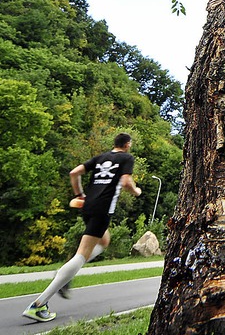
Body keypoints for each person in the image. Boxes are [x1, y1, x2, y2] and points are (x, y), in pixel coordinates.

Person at [22, 132, 142, 323]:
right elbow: (126, 182)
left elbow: (74, 173)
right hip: (103, 210)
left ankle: (66, 273)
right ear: (127, 144)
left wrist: (79, 194)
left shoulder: (100, 157)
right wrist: (136, 191)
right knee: (82, 255)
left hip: (87, 206)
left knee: (104, 240)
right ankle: (38, 304)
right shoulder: (126, 158)